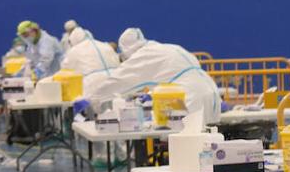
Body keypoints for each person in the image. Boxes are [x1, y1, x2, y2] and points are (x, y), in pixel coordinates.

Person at [74, 27, 220, 123]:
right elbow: (170, 78)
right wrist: (152, 94)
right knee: (207, 147)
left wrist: (90, 97)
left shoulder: (144, 55)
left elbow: (119, 80)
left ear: (127, 51)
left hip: (192, 99)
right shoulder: (168, 48)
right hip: (211, 94)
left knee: (190, 148)